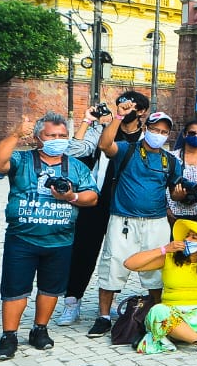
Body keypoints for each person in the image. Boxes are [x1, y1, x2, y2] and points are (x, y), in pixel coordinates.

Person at [0, 112, 98, 361]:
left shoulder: (76, 166)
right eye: (51, 135)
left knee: (50, 289)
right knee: (15, 290)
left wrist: (71, 196)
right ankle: (9, 336)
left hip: (61, 239)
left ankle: (40, 329)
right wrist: (16, 134)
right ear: (38, 138)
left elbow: (92, 196)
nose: (58, 140)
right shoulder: (23, 159)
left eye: (62, 136)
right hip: (22, 238)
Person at [90, 108, 183, 338]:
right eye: (155, 129)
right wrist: (118, 117)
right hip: (123, 219)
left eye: (164, 132)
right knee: (112, 265)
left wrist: (180, 194)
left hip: (156, 221)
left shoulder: (171, 161)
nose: (159, 134)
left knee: (156, 270)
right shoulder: (127, 149)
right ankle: (103, 317)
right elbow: (104, 145)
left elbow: (174, 192)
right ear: (145, 128)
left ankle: (156, 314)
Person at [59, 93, 147, 326]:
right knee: (83, 252)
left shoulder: (147, 137)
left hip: (126, 205)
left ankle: (108, 303)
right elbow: (72, 152)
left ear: (141, 112)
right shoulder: (103, 130)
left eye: (130, 106)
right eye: (121, 104)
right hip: (97, 200)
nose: (124, 108)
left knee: (116, 255)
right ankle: (72, 301)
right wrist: (87, 121)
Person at [123, 219, 197, 354]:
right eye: (187, 236)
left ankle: (180, 334)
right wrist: (164, 249)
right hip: (171, 311)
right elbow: (130, 264)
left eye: (194, 237)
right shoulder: (170, 257)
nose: (187, 239)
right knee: (158, 311)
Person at [167, 118, 197, 223]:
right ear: (184, 135)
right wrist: (167, 208)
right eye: (192, 133)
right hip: (175, 214)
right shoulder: (172, 157)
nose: (196, 136)